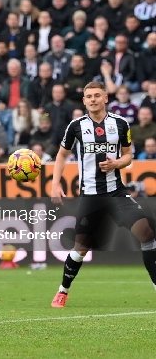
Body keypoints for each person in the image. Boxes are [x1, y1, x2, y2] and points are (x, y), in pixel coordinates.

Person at [50, 81, 156, 308]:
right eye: (89, 96)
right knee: (81, 248)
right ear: (84, 100)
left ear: (106, 98)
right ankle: (62, 290)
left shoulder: (120, 124)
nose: (93, 99)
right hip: (90, 196)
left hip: (116, 193)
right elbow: (61, 155)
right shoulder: (76, 126)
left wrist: (116, 163)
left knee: (146, 233)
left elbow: (128, 156)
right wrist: (55, 184)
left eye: (97, 95)